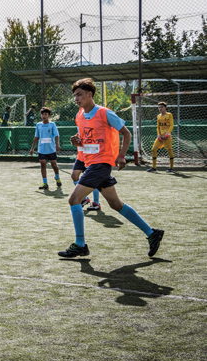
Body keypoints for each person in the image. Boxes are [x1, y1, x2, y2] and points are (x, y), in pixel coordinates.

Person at [58, 78, 164, 258]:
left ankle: (80, 244)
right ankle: (152, 233)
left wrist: (121, 155)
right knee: (116, 204)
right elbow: (85, 138)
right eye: (75, 95)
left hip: (101, 164)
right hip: (91, 163)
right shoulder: (79, 116)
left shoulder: (105, 113)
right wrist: (78, 140)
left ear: (90, 94)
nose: (76, 98)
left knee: (74, 199)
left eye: (79, 95)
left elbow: (126, 133)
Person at [28, 107, 62, 190]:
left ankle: (57, 178)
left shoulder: (52, 124)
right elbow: (36, 137)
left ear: (49, 115)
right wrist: (32, 148)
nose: (44, 116)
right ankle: (45, 183)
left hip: (51, 149)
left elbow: (57, 135)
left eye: (45, 114)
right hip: (41, 149)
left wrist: (57, 145)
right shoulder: (38, 125)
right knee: (43, 165)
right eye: (42, 114)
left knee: (54, 165)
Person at [70, 141, 101, 213]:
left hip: (91, 156)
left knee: (93, 179)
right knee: (74, 176)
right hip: (81, 157)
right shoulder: (80, 130)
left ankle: (96, 203)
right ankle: (85, 198)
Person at [147, 102, 176, 174]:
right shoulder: (158, 116)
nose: (160, 109)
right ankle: (154, 167)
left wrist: (168, 133)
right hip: (160, 136)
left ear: (165, 108)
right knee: (153, 149)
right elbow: (158, 126)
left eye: (161, 107)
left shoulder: (169, 115)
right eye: (159, 107)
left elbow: (171, 125)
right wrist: (158, 134)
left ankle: (171, 168)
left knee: (169, 150)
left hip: (167, 136)